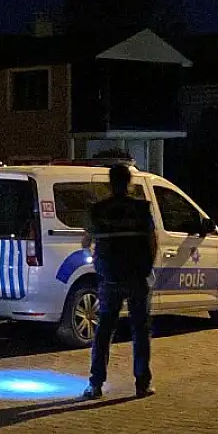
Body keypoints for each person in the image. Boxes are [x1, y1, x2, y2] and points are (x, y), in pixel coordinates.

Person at [81, 163, 158, 400]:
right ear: (130, 183)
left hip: (110, 277)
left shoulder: (98, 210)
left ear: (110, 182)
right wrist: (147, 267)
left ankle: (95, 384)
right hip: (137, 276)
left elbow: (86, 241)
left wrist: (98, 259)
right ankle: (142, 383)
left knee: (104, 330)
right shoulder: (141, 209)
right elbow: (152, 242)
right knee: (140, 331)